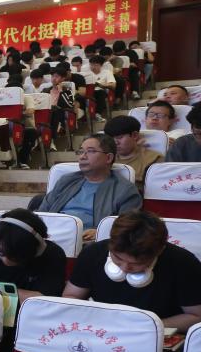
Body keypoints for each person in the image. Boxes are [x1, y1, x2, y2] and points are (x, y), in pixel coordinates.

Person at [64, 210, 201, 331]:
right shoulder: (93, 253)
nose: (124, 268)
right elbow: (71, 297)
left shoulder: (184, 263)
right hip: (103, 328)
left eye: (137, 264)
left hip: (158, 332)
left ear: (159, 251)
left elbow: (196, 316)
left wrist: (148, 326)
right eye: (117, 258)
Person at [38, 134, 142, 241]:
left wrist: (100, 231)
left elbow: (126, 228)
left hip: (87, 241)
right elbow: (41, 213)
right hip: (52, 234)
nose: (82, 157)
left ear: (108, 158)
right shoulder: (67, 180)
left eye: (90, 151)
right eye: (81, 151)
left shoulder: (125, 190)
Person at [103, 116, 162, 191]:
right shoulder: (105, 159)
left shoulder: (154, 160)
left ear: (135, 135)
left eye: (119, 137)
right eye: (110, 138)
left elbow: (157, 191)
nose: (115, 142)